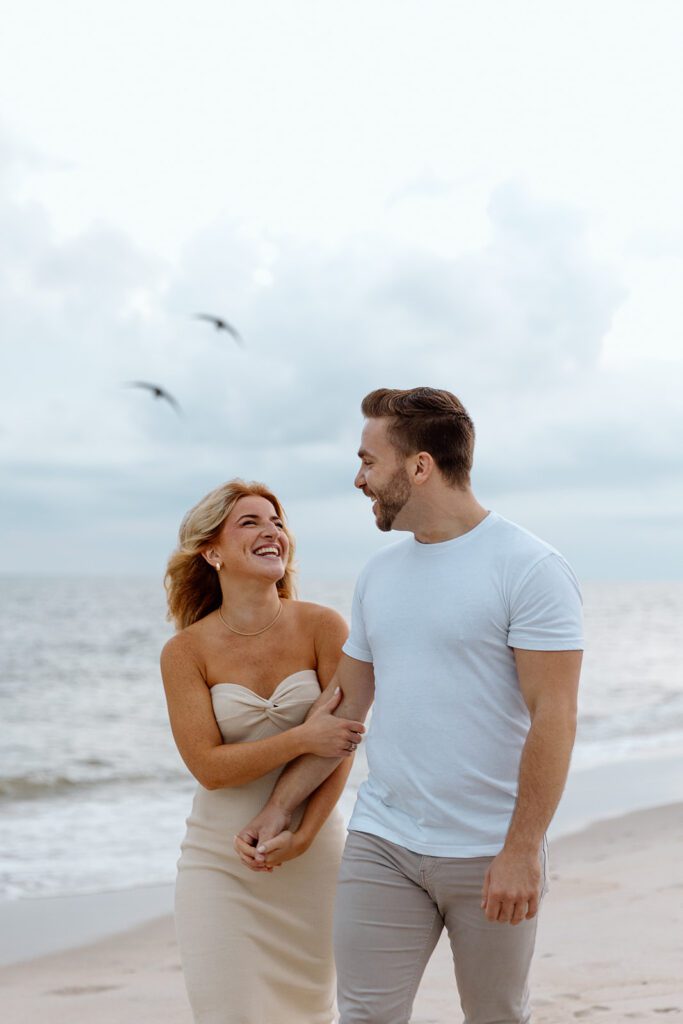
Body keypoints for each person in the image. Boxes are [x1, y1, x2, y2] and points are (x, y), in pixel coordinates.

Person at [236, 387, 584, 1024]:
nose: (359, 478)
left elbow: (554, 718)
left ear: (419, 466)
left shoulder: (530, 568)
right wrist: (280, 807)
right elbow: (345, 709)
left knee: (497, 1014)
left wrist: (522, 849)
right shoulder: (379, 575)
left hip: (488, 848)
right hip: (385, 840)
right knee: (365, 1016)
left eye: (369, 461)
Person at [161, 479, 365, 1024]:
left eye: (276, 521)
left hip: (314, 851)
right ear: (212, 551)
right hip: (219, 859)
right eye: (249, 522)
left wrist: (302, 836)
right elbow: (208, 767)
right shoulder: (185, 652)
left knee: (309, 1011)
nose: (272, 531)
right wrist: (301, 736)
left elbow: (340, 748)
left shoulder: (325, 627)